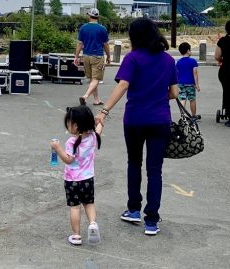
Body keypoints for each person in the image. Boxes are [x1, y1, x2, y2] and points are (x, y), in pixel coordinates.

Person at [94, 18, 178, 236]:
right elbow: (174, 93)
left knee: (134, 163)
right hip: (160, 119)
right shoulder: (169, 60)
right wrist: (157, 96)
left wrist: (104, 111)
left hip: (135, 119)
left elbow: (123, 85)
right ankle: (152, 220)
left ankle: (133, 209)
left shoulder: (133, 58)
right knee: (155, 170)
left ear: (135, 36)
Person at [51, 105, 103, 246]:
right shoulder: (93, 137)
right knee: (89, 203)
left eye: (69, 123)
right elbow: (98, 129)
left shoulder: (72, 142)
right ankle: (92, 223)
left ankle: (76, 236)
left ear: (75, 125)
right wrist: (100, 123)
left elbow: (68, 159)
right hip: (88, 179)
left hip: (72, 180)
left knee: (75, 208)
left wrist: (57, 148)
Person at [74, 8, 111, 106]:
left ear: (89, 16)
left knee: (92, 79)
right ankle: (85, 96)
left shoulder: (83, 28)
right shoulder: (102, 29)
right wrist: (108, 56)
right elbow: (105, 44)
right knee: (96, 79)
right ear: (98, 17)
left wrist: (76, 57)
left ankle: (96, 99)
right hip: (97, 56)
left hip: (86, 55)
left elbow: (79, 44)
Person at [176, 42, 201, 119]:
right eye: (190, 50)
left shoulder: (178, 62)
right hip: (190, 83)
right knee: (192, 99)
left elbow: (176, 73)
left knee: (183, 99)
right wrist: (197, 85)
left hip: (181, 83)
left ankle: (183, 115)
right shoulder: (193, 61)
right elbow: (195, 73)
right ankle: (193, 116)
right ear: (187, 51)